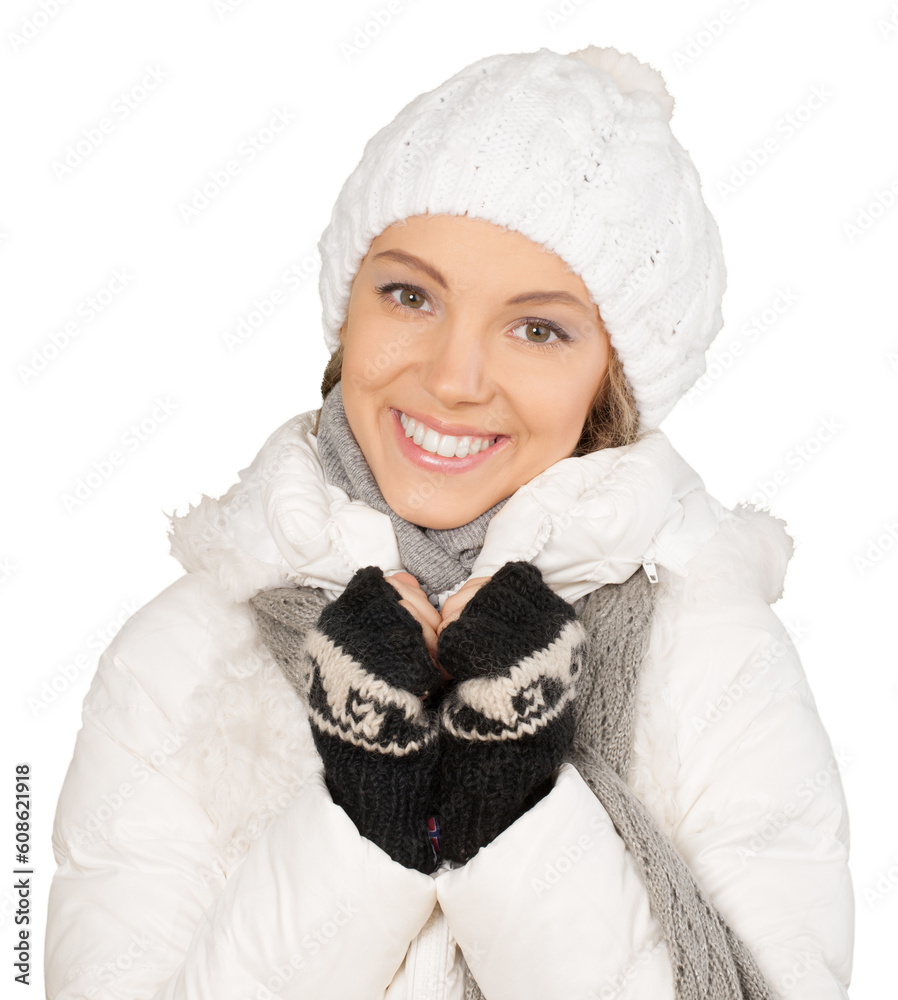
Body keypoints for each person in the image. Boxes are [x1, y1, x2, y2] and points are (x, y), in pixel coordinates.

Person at [44, 45, 853, 1000]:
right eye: (410, 295)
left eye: (537, 328)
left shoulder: (715, 656)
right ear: (346, 310)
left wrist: (511, 805)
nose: (453, 378)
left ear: (615, 378)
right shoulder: (179, 658)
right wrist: (366, 818)